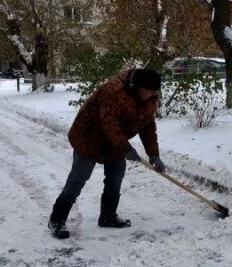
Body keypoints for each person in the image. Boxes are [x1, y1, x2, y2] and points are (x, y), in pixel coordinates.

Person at [48, 67, 166, 239]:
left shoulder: (149, 99)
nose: (152, 95)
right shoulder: (113, 90)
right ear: (139, 87)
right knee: (79, 177)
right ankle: (57, 220)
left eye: (154, 92)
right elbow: (109, 123)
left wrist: (153, 154)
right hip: (89, 136)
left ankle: (108, 216)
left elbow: (147, 126)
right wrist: (126, 148)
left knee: (116, 174)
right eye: (150, 91)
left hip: (114, 141)